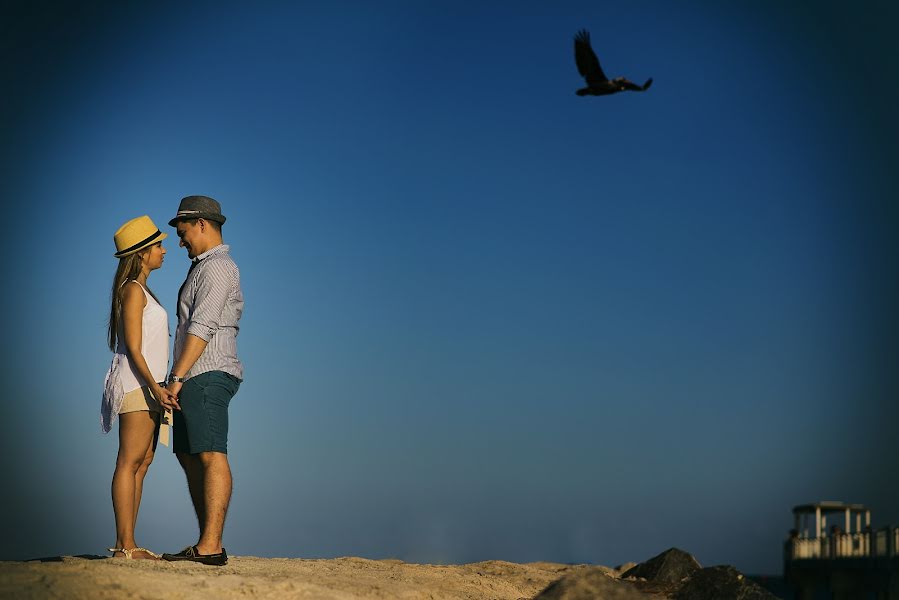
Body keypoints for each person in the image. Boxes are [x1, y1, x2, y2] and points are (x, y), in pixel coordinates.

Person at [159, 195, 243, 566]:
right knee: (187, 452)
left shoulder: (218, 268)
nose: (179, 241)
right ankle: (205, 540)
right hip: (193, 374)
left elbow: (203, 325)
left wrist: (176, 376)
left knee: (210, 453)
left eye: (182, 232)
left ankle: (211, 545)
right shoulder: (201, 267)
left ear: (202, 224)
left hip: (208, 372)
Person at [101, 215, 178, 560]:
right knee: (129, 461)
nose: (164, 250)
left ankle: (128, 542)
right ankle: (125, 546)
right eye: (158, 245)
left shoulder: (143, 290)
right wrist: (155, 387)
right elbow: (133, 346)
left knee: (143, 461)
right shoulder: (132, 289)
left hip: (149, 385)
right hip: (137, 384)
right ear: (142, 253)